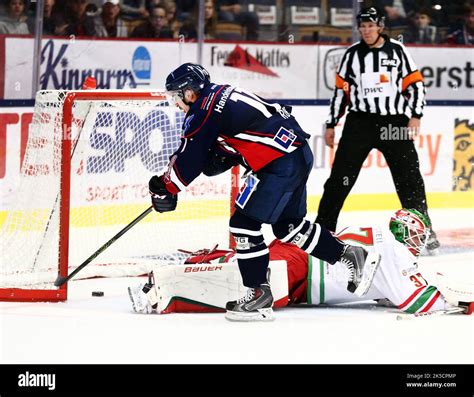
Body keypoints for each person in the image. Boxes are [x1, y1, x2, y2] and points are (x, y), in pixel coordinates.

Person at [146, 62, 382, 322]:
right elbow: (238, 139)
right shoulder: (221, 94)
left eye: (176, 96)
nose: (176, 103)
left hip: (277, 164)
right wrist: (223, 155)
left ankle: (258, 294)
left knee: (243, 224)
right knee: (288, 225)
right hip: (296, 154)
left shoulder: (203, 110)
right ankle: (350, 254)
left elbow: (189, 159)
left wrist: (165, 187)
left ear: (189, 92)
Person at [128, 208, 474, 316]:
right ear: (405, 234)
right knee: (246, 289)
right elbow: (413, 302)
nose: (418, 243)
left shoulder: (382, 235)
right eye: (416, 235)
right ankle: (162, 289)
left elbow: (385, 291)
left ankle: (195, 263)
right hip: (302, 269)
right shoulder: (397, 252)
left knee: (245, 272)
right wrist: (461, 302)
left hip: (302, 264)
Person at [316, 6, 440, 255]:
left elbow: (415, 85)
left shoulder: (397, 51)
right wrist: (331, 123)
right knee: (340, 178)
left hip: (393, 122)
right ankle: (323, 229)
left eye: (371, 26)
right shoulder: (352, 54)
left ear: (380, 26)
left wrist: (415, 115)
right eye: (362, 27)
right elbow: (341, 92)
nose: (366, 30)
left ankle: (423, 230)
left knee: (409, 177)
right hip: (359, 123)